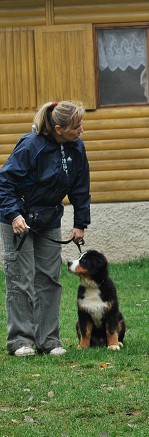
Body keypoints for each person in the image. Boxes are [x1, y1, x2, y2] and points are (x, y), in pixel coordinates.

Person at [0, 101, 90, 356]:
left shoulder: (76, 147)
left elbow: (81, 185)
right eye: (76, 126)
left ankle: (49, 341)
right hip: (17, 220)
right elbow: (4, 183)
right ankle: (20, 341)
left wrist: (80, 222)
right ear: (59, 129)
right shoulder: (30, 146)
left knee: (49, 279)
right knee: (21, 278)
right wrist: (14, 214)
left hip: (49, 219)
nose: (81, 130)